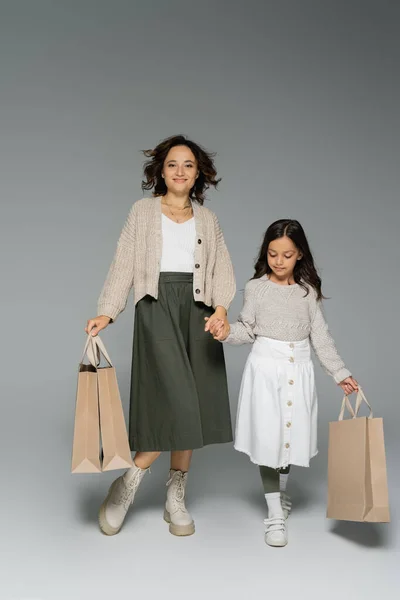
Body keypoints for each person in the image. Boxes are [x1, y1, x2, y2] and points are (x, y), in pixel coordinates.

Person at [85, 134, 235, 537]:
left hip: (199, 311)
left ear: (198, 172)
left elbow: (222, 268)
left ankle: (175, 495)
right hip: (156, 307)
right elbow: (124, 262)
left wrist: (221, 309)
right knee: (177, 397)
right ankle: (128, 484)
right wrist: (108, 310)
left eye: (188, 164)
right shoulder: (142, 213)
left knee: (194, 401)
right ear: (161, 171)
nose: (180, 171)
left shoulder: (208, 220)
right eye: (172, 164)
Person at [206, 219, 359, 547]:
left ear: (299, 254)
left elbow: (321, 336)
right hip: (266, 370)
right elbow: (247, 329)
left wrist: (340, 372)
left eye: (286, 255)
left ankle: (281, 495)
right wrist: (225, 332)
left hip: (299, 369)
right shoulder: (257, 288)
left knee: (290, 437)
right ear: (266, 253)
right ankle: (274, 513)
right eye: (272, 254)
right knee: (269, 440)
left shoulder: (308, 293)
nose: (278, 261)